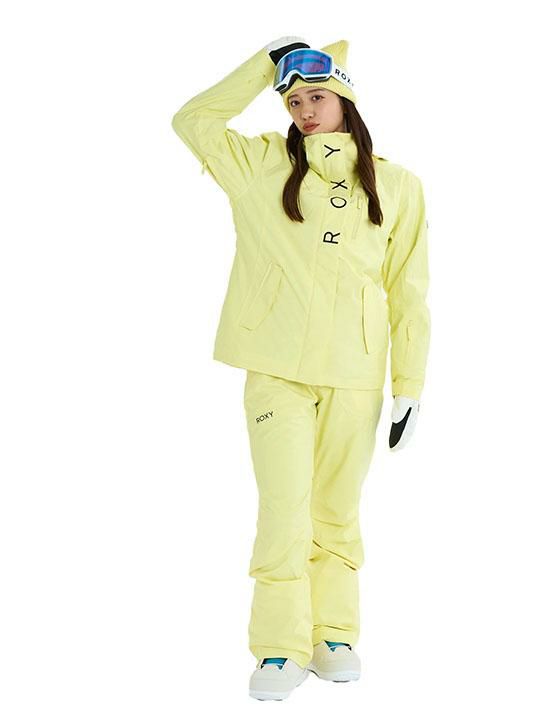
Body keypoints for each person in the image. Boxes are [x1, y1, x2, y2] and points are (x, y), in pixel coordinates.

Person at [171, 36, 431, 701]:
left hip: (356, 372)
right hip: (275, 367)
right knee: (285, 509)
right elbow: (192, 120)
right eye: (292, 101)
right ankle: (279, 648)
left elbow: (409, 291)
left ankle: (333, 635)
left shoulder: (399, 185)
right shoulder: (258, 166)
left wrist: (409, 384)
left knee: (336, 510)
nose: (305, 110)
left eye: (316, 96)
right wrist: (266, 62)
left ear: (346, 99)